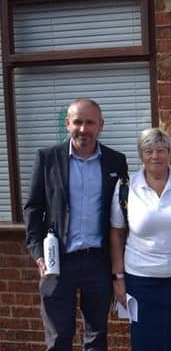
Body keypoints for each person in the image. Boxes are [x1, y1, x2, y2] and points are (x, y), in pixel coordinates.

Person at [23, 98, 128, 350]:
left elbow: (121, 214)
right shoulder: (47, 158)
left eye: (90, 122)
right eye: (78, 122)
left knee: (97, 336)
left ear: (100, 125)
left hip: (98, 262)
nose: (83, 129)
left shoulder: (116, 161)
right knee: (59, 338)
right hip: (58, 262)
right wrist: (39, 255)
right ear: (67, 124)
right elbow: (33, 209)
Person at [110, 127, 171, 351]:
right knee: (144, 341)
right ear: (141, 155)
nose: (155, 156)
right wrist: (118, 277)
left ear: (170, 152)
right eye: (148, 150)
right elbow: (116, 233)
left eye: (161, 150)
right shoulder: (126, 187)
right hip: (141, 280)